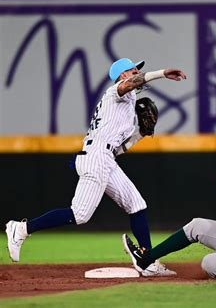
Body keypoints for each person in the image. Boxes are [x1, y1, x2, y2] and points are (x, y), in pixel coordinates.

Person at [5, 58, 187, 277]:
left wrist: (141, 133)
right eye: (133, 70)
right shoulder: (115, 92)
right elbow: (131, 84)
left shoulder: (127, 108)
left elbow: (119, 148)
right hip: (97, 156)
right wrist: (162, 72)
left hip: (105, 156)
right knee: (80, 214)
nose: (138, 72)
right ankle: (22, 229)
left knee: (137, 205)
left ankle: (147, 260)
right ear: (123, 75)